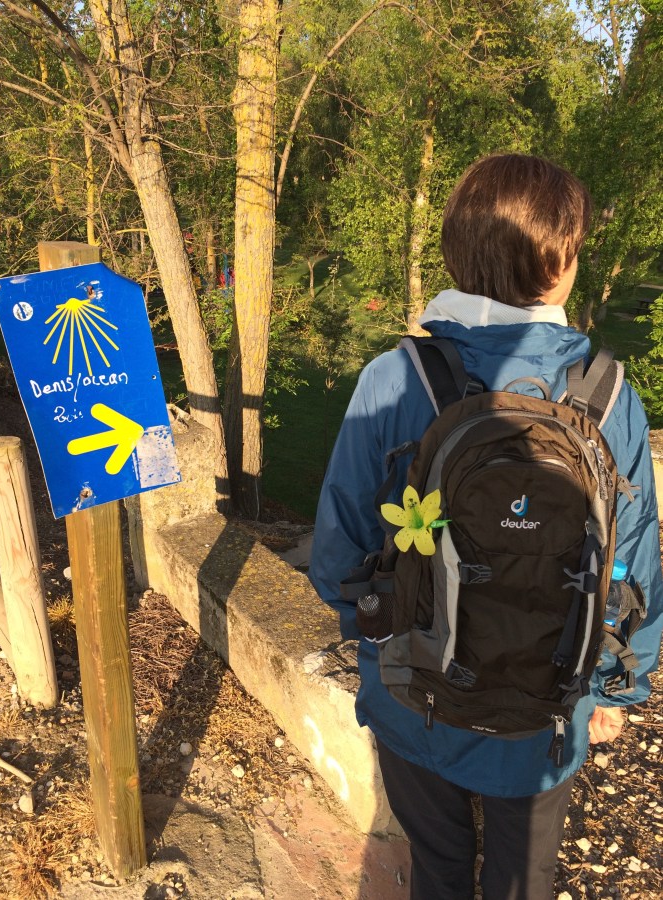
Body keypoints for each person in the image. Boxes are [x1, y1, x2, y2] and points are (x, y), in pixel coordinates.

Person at [308, 154, 663, 900]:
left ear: (455, 253)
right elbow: (631, 565)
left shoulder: (394, 380)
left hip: (414, 693)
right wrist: (614, 691)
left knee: (436, 865)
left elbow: (338, 555)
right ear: (559, 266)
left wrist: (374, 636)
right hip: (547, 709)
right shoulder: (608, 398)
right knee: (521, 880)